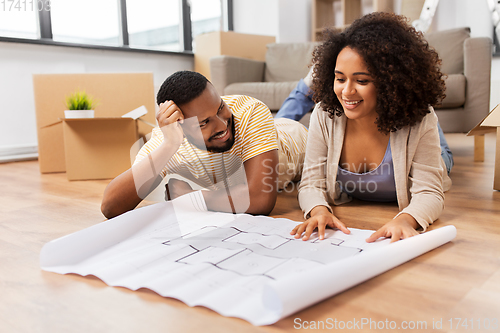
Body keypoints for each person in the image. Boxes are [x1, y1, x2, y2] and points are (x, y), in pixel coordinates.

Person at [290, 12, 452, 243]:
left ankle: (436, 131)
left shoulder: (420, 119)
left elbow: (429, 192)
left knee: (441, 153)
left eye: (362, 81)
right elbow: (310, 183)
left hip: (416, 129)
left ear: (389, 82)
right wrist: (318, 211)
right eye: (340, 78)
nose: (347, 91)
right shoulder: (325, 114)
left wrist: (406, 219)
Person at [101, 70, 307, 219]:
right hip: (259, 141)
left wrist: (190, 198)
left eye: (220, 108)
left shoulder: (251, 111)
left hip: (293, 140)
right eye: (204, 123)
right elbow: (110, 207)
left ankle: (307, 88)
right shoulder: (166, 140)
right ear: (179, 127)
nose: (221, 125)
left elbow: (260, 199)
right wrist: (169, 146)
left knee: (299, 117)